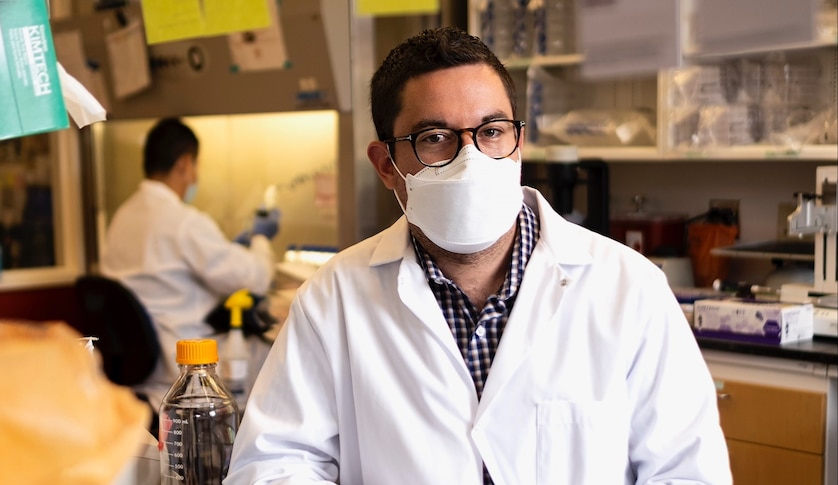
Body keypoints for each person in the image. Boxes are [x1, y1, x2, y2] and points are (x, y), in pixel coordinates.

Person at [226, 27, 732, 484]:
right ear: (386, 165)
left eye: (491, 131)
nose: (471, 158)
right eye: (436, 138)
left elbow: (688, 472)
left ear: (519, 145)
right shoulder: (333, 298)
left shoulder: (629, 287)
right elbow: (272, 466)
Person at [100, 117, 278, 412]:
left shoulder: (123, 217)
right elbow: (256, 277)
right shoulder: (184, 223)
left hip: (139, 369)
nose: (196, 176)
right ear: (184, 164)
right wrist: (261, 239)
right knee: (272, 350)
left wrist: (229, 249)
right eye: (195, 165)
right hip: (183, 364)